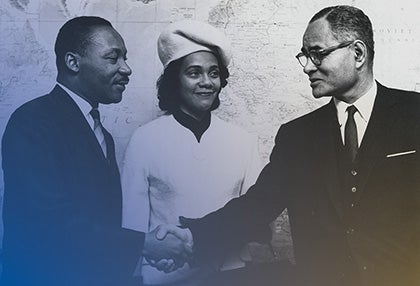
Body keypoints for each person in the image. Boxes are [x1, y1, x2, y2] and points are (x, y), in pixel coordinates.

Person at [158, 5, 420, 286]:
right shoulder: (297, 136)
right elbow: (257, 206)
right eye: (305, 56)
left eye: (317, 54)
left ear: (357, 54)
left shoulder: (414, 114)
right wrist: (194, 236)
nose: (307, 66)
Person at [1, 16, 191, 286]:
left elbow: (100, 222)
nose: (126, 69)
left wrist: (147, 250)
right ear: (73, 62)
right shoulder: (32, 122)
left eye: (125, 58)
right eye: (113, 58)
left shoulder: (102, 135)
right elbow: (48, 222)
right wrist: (144, 246)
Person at [121, 20, 262, 286]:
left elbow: (254, 215)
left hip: (231, 275)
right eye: (194, 73)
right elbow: (133, 224)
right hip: (165, 277)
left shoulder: (243, 141)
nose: (206, 82)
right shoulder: (144, 140)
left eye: (213, 73)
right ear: (175, 80)